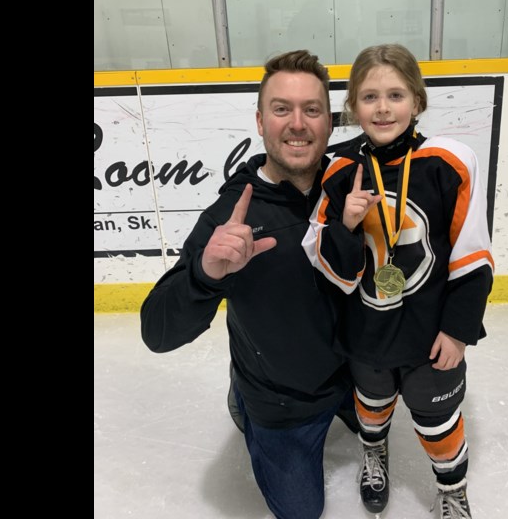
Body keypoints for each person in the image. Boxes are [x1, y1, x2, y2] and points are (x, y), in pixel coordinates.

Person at [140, 49, 355, 519]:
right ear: (260, 121)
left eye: (311, 109)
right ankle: (243, 398)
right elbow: (156, 331)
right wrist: (206, 273)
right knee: (301, 512)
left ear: (330, 122)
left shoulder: (349, 188)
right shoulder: (229, 217)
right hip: (281, 402)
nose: (297, 123)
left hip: (349, 378)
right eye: (282, 109)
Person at [302, 44, 494, 518]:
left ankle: (452, 489)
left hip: (432, 332)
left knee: (436, 417)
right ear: (352, 106)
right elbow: (324, 265)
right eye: (369, 97)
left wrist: (458, 329)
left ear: (417, 101)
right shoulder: (340, 170)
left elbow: (474, 253)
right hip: (367, 327)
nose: (383, 107)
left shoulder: (450, 161)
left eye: (395, 94)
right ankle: (374, 451)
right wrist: (344, 227)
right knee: (372, 403)